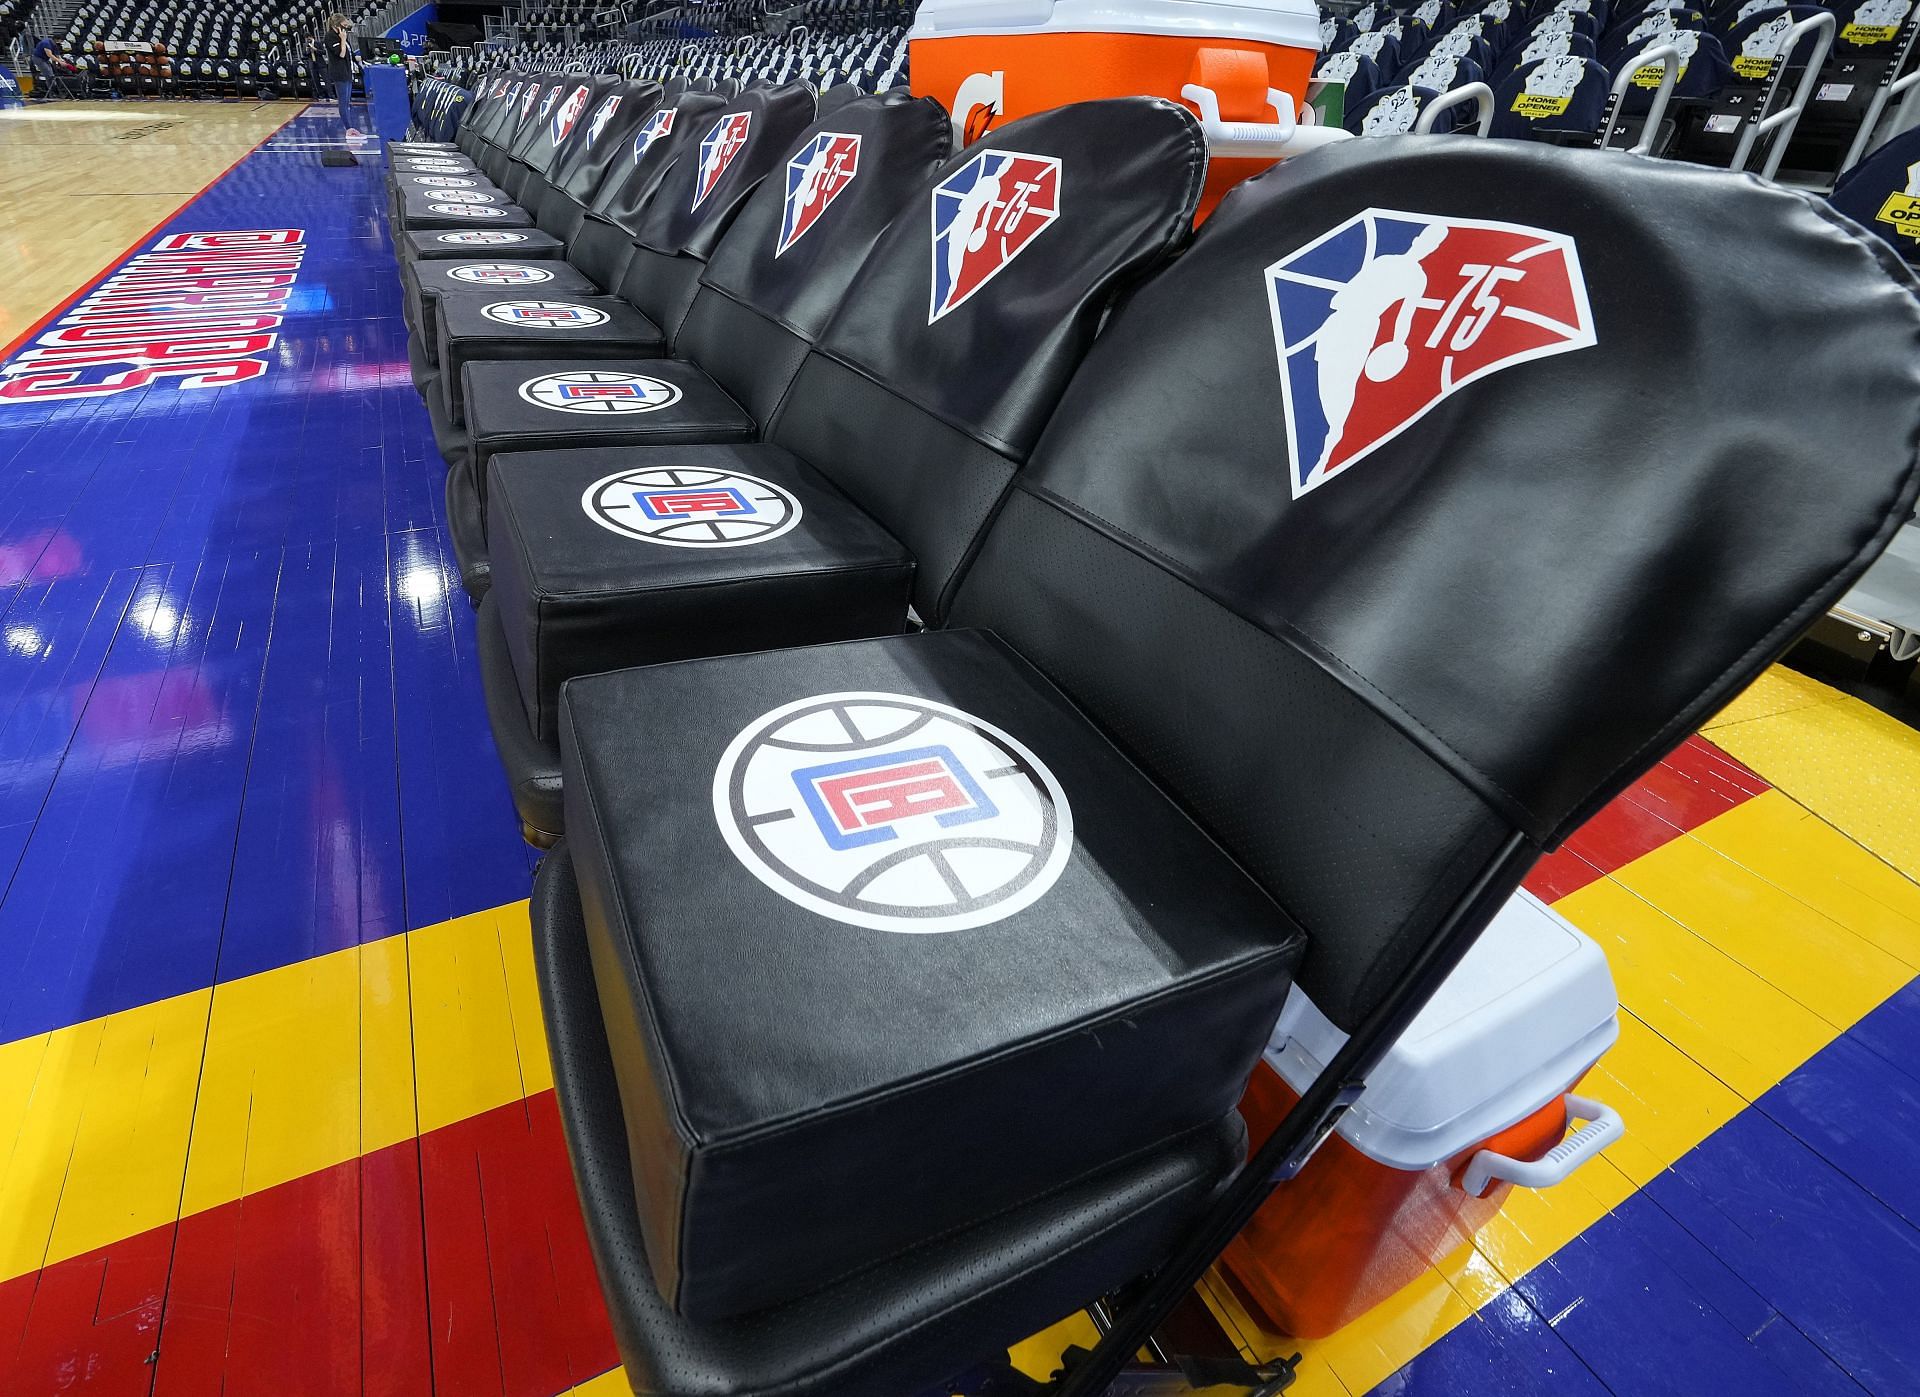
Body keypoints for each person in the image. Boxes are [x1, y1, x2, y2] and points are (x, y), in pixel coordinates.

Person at [320, 13, 362, 140]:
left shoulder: (342, 34)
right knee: (343, 102)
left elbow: (349, 53)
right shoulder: (330, 37)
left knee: (348, 102)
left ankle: (351, 128)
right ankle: (348, 129)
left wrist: (360, 60)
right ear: (336, 25)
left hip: (347, 72)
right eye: (343, 25)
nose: (345, 28)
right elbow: (341, 54)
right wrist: (343, 39)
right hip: (339, 73)